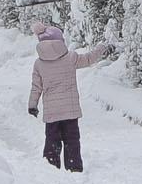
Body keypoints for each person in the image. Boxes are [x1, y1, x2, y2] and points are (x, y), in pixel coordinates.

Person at [27, 21, 114, 172]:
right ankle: (74, 166)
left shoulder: (39, 64)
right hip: (70, 111)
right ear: (60, 42)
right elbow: (89, 59)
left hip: (52, 112)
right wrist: (101, 48)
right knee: (72, 140)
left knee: (52, 140)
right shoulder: (70, 58)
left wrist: (32, 105)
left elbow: (36, 87)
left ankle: (50, 167)